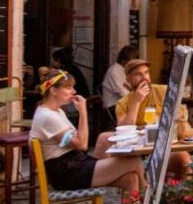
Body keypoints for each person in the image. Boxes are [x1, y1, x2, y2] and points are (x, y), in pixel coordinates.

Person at [31, 69, 143, 197]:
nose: (73, 91)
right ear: (53, 90)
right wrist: (83, 111)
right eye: (68, 88)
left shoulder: (56, 112)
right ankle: (152, 201)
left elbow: (78, 140)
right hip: (66, 173)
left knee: (131, 178)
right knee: (133, 161)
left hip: (74, 163)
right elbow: (82, 144)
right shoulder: (48, 117)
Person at [115, 60, 193, 180]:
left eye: (146, 73)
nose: (144, 77)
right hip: (137, 155)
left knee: (184, 159)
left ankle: (185, 197)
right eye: (138, 74)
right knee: (131, 174)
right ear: (128, 79)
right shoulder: (123, 103)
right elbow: (123, 130)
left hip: (164, 150)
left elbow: (181, 116)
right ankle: (139, 197)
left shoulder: (163, 91)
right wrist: (136, 102)